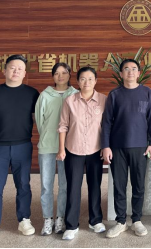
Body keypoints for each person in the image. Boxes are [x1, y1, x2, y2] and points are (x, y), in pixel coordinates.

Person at [0, 55, 40, 244]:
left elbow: (35, 118)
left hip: (23, 145)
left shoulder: (32, 93)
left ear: (24, 73)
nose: (16, 71)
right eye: (12, 68)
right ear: (5, 70)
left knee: (23, 185)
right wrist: (0, 128)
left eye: (20, 69)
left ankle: (24, 220)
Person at [102, 59, 151, 239]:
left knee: (138, 185)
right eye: (126, 69)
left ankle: (137, 220)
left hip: (140, 147)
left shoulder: (146, 92)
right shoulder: (114, 94)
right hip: (117, 147)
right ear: (121, 73)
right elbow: (106, 122)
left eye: (134, 69)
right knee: (119, 185)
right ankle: (120, 221)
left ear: (139, 73)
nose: (130, 72)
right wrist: (106, 146)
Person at [57, 67, 106, 241]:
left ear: (96, 81)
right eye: (83, 79)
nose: (87, 82)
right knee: (73, 187)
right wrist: (61, 149)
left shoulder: (103, 100)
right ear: (78, 81)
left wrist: (106, 146)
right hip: (73, 149)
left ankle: (95, 221)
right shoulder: (70, 101)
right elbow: (63, 126)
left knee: (95, 186)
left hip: (95, 149)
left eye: (90, 78)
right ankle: (71, 225)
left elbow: (107, 126)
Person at [35, 63, 78, 236]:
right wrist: (47, 136)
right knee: (46, 185)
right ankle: (47, 219)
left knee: (64, 185)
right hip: (47, 145)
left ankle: (60, 217)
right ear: (53, 76)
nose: (60, 76)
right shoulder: (44, 95)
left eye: (64, 72)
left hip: (68, 147)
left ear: (69, 75)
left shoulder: (75, 94)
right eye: (57, 73)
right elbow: (39, 122)